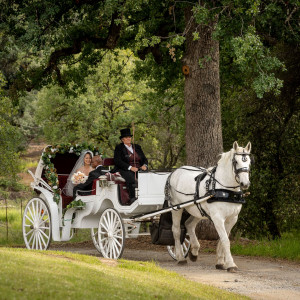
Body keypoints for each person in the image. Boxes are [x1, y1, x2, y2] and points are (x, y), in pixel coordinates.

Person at [113, 128, 148, 204]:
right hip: (125, 169)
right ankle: (132, 198)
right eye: (126, 137)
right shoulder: (119, 148)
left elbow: (144, 159)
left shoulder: (137, 147)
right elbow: (118, 161)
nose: (128, 139)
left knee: (148, 177)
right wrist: (130, 168)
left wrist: (145, 165)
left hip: (139, 169)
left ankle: (146, 196)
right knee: (131, 178)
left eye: (129, 137)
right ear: (122, 140)